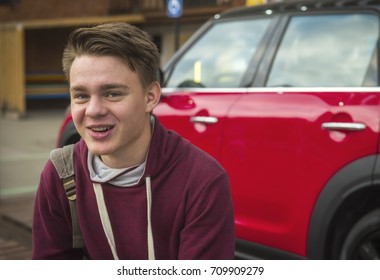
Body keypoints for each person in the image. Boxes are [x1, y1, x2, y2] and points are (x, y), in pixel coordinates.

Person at [32, 22, 235, 260]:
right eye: (81, 96)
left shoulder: (202, 181)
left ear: (150, 97)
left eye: (112, 93)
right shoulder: (61, 174)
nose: (93, 110)